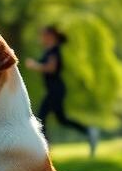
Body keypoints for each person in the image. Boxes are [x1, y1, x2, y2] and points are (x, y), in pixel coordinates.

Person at [24, 25, 99, 156]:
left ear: (51, 36)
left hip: (56, 90)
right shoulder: (50, 50)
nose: (41, 38)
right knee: (61, 119)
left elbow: (51, 68)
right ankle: (89, 131)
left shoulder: (54, 51)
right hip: (54, 90)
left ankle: (45, 148)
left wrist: (35, 65)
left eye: (43, 35)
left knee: (41, 116)